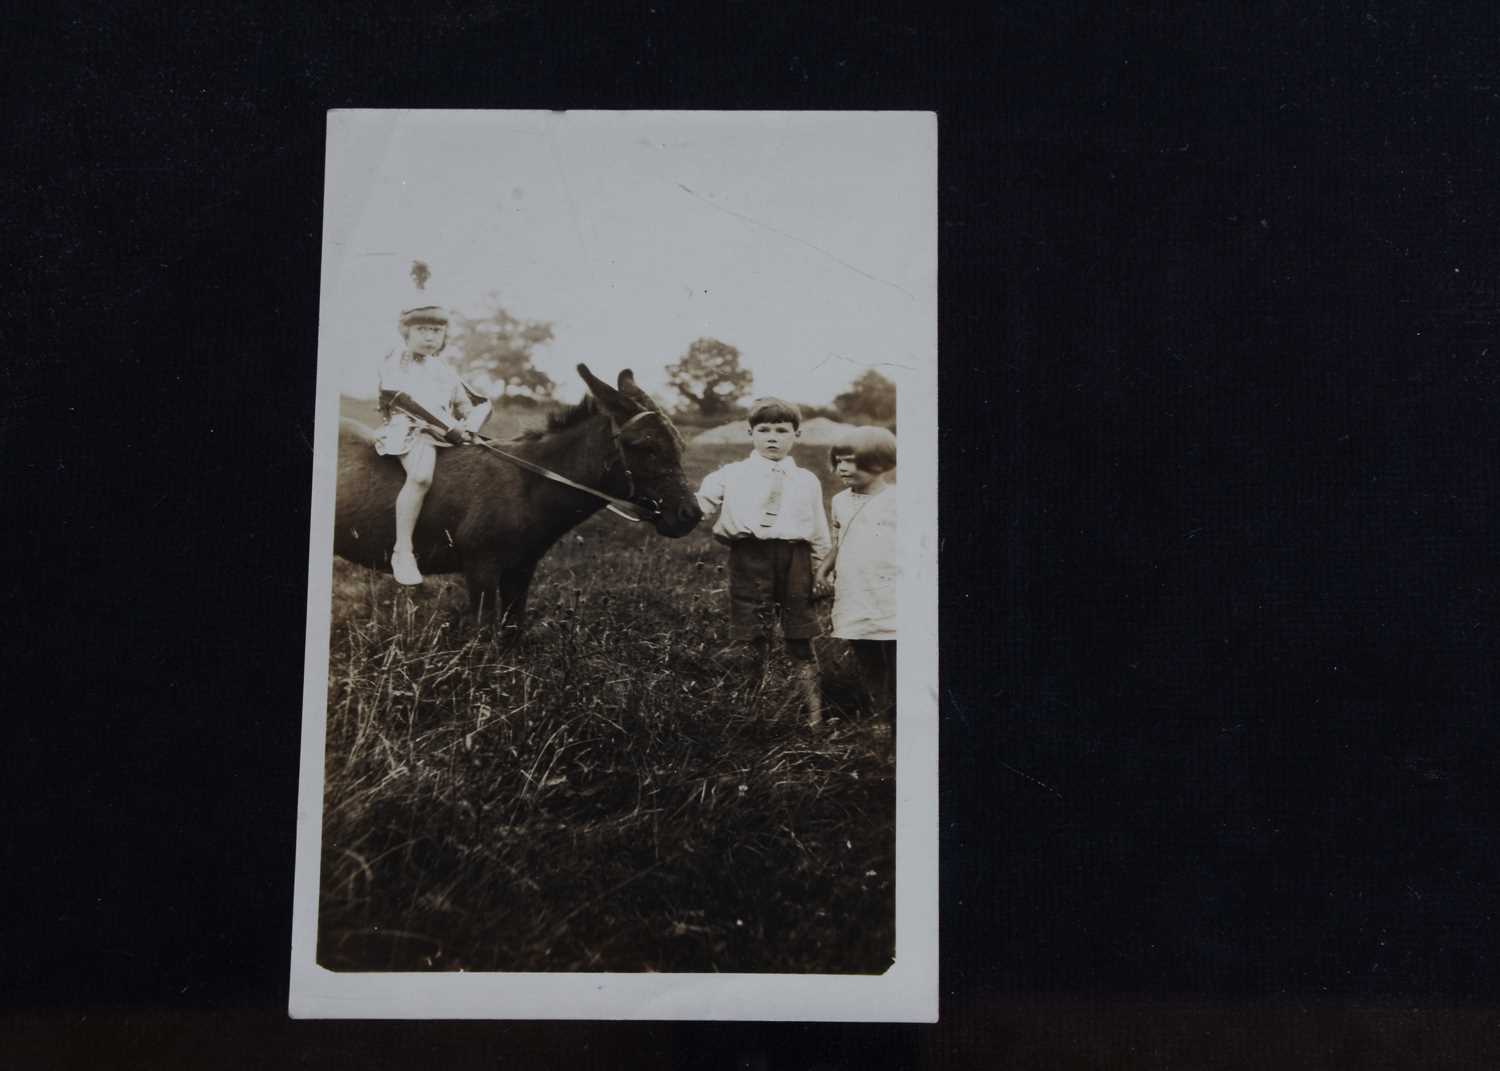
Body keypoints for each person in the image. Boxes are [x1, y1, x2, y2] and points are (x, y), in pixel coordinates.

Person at [696, 398, 833, 726]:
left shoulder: (806, 480)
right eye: (764, 430)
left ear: (796, 434)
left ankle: (815, 717)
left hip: (795, 559)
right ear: (750, 432)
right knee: (752, 636)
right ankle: (750, 711)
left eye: (782, 430)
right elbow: (697, 505)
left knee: (800, 636)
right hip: (749, 557)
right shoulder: (730, 475)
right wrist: (663, 509)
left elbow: (818, 529)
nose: (773, 437)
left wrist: (823, 572)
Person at [374, 295, 492, 586]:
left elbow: (476, 403)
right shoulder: (395, 359)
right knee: (422, 477)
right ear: (407, 332)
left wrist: (470, 426)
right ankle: (403, 550)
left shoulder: (443, 369)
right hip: (409, 429)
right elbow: (400, 398)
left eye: (436, 331)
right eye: (422, 330)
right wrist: (451, 429)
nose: (429, 337)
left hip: (446, 431)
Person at [814, 426, 898, 726]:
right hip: (855, 589)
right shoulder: (840, 501)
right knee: (866, 652)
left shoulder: (898, 501)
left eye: (853, 461)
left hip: (890, 592)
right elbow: (839, 542)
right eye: (839, 461)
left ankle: (900, 713)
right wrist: (824, 569)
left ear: (880, 462)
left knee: (896, 653)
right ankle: (879, 716)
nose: (843, 468)